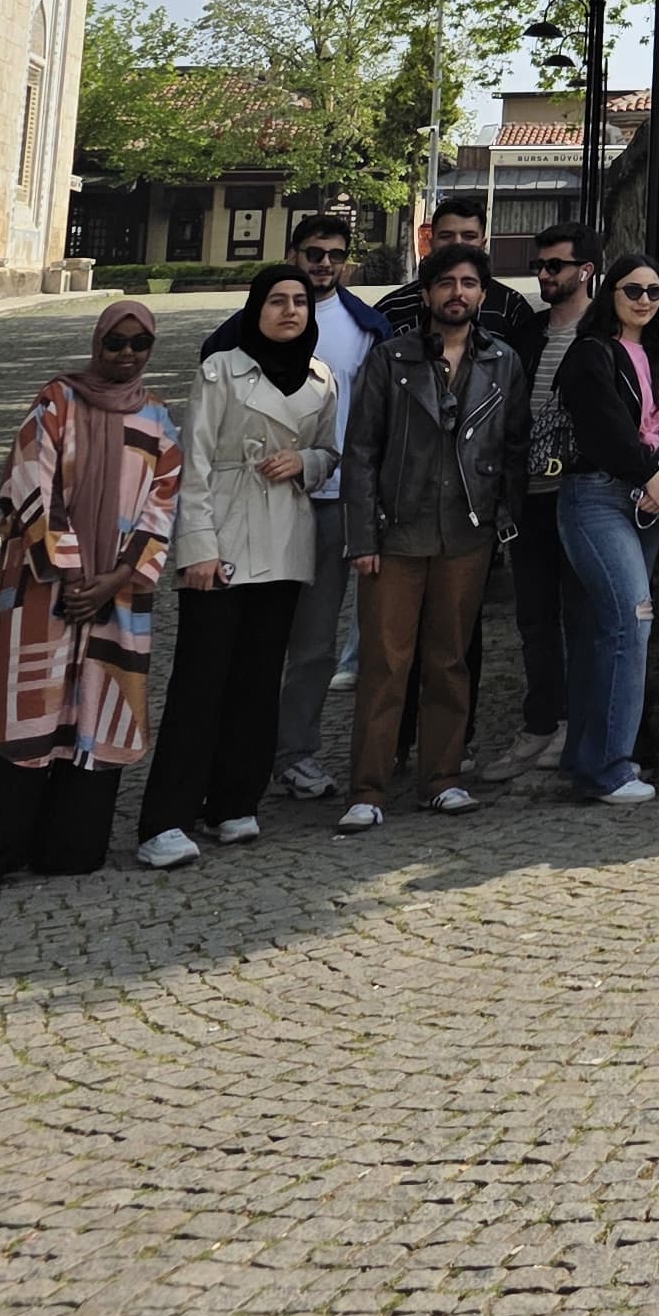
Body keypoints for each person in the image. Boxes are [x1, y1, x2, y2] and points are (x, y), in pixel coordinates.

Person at [0, 303, 180, 900]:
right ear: (97, 343)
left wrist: (117, 577)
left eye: (139, 344)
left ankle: (66, 843)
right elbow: (28, 484)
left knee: (95, 710)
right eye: (115, 343)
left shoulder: (159, 423)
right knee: (25, 711)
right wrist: (70, 573)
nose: (126, 354)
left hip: (116, 597)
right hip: (41, 591)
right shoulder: (56, 403)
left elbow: (163, 505)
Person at [133, 268, 336, 866]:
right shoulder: (220, 369)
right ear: (257, 307)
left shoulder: (322, 380)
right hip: (222, 532)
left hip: (284, 538)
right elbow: (190, 465)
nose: (290, 311)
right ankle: (165, 818)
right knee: (201, 682)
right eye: (278, 301)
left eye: (300, 301)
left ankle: (234, 801)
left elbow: (329, 451)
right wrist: (197, 547)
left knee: (257, 679)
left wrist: (305, 460)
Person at [338, 248, 531, 832]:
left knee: (449, 661)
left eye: (469, 283)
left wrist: (503, 521)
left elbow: (514, 448)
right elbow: (361, 451)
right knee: (384, 663)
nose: (457, 293)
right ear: (426, 295)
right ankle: (369, 788)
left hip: (466, 533)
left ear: (482, 295)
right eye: (445, 282)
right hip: (397, 532)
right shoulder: (391, 359)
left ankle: (442, 777)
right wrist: (361, 536)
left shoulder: (503, 362)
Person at [551, 252, 659, 808]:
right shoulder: (590, 354)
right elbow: (603, 427)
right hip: (598, 497)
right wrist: (651, 475)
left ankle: (586, 759)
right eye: (633, 290)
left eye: (653, 291)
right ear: (611, 294)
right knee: (632, 620)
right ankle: (609, 768)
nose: (644, 299)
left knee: (603, 629)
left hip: (644, 506)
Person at [271, 210, 390, 799]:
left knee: (316, 643)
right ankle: (242, 750)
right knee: (259, 634)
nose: (323, 263)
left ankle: (296, 752)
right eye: (314, 252)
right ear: (294, 253)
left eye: (334, 254)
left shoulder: (367, 328)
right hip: (264, 501)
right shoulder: (259, 319)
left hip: (337, 497)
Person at [487, 219, 600, 784]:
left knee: (582, 616)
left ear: (586, 271)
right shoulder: (526, 336)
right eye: (540, 265)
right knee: (533, 616)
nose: (544, 274)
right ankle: (539, 723)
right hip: (526, 498)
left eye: (554, 265)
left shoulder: (603, 333)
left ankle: (572, 727)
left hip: (581, 496)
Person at [374, 193, 541, 356]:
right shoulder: (392, 309)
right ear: (431, 242)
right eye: (446, 236)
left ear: (483, 244)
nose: (457, 244)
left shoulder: (511, 308)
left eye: (468, 236)